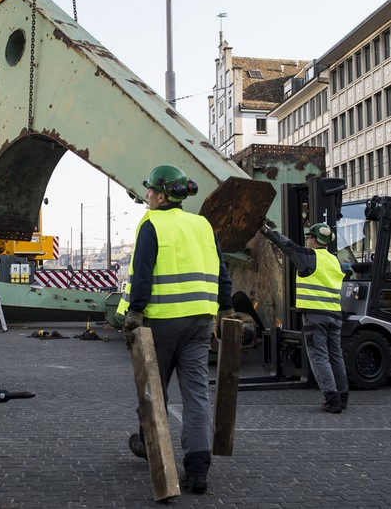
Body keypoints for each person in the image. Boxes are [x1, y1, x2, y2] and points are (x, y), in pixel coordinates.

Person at [117, 165, 233, 494]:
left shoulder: (152, 224)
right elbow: (221, 270)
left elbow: (142, 274)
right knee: (196, 394)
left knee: (155, 391)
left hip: (161, 321)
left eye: (150, 191)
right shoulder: (202, 225)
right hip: (200, 321)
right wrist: (226, 307)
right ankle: (197, 470)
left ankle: (153, 449)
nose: (147, 196)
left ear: (163, 195)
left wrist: (135, 314)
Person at [260, 221, 348, 414]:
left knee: (319, 356)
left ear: (315, 240)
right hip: (334, 314)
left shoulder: (310, 257)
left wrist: (266, 230)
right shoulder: (334, 260)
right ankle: (342, 396)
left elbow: (287, 246)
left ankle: (331, 399)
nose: (307, 240)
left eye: (309, 237)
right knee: (336, 355)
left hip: (315, 315)